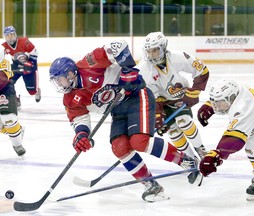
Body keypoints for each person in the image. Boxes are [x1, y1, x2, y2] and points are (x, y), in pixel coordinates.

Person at [48, 40, 203, 202]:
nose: (59, 84)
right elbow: (79, 118)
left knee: (139, 141)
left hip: (137, 95)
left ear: (71, 73)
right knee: (119, 147)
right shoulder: (70, 99)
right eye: (56, 81)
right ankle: (151, 185)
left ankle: (186, 161)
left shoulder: (89, 63)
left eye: (60, 79)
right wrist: (81, 135)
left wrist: (128, 69)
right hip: (118, 109)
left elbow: (118, 46)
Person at [197, 79, 254, 201]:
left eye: (219, 103)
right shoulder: (240, 92)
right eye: (214, 102)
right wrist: (210, 106)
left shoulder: (243, 108)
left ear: (231, 98)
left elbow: (234, 140)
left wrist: (216, 154)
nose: (216, 106)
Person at [137, 31, 209, 160]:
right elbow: (149, 96)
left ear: (164, 48)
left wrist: (193, 92)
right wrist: (157, 115)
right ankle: (191, 159)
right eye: (149, 51)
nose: (151, 55)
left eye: (155, 50)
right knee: (173, 131)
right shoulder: (143, 69)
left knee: (184, 121)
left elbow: (202, 70)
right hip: (160, 101)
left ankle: (201, 150)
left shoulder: (178, 57)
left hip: (179, 96)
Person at [2, 25, 41, 107]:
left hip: (29, 66)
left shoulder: (24, 42)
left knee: (31, 91)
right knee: (6, 82)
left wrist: (31, 66)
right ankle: (14, 98)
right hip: (16, 66)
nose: (10, 38)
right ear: (5, 37)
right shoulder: (4, 46)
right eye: (8, 36)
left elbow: (35, 54)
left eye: (12, 35)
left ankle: (37, 90)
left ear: (15, 35)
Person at [0, 46, 26, 156]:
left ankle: (17, 144)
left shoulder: (1, 57)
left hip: (4, 89)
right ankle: (18, 130)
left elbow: (2, 80)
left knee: (8, 117)